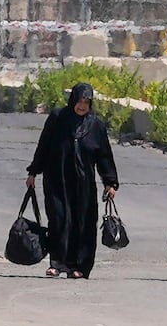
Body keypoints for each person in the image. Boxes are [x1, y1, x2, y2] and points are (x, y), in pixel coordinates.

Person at [25, 82, 119, 279]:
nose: (82, 105)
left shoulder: (96, 125)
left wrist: (110, 182)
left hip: (83, 184)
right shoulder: (58, 118)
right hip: (57, 179)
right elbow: (44, 145)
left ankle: (79, 266)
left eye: (86, 102)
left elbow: (104, 156)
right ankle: (57, 263)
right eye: (80, 101)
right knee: (58, 220)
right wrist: (33, 172)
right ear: (73, 100)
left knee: (83, 223)